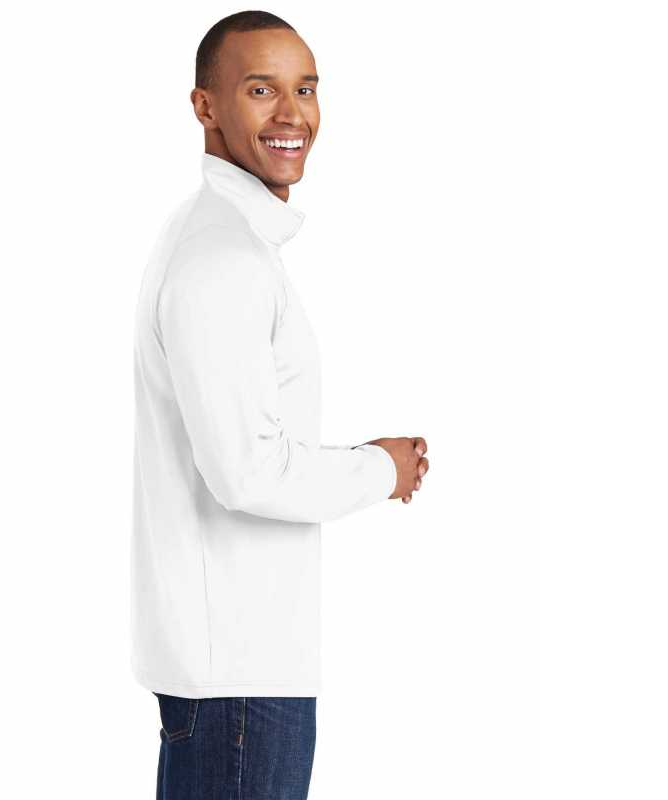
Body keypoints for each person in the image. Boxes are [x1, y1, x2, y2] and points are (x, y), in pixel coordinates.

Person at [132, 10, 430, 798]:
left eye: (306, 89)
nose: (292, 114)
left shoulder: (225, 242)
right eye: (261, 90)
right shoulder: (221, 258)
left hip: (238, 670)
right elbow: (246, 472)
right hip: (240, 681)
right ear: (205, 106)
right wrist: (380, 471)